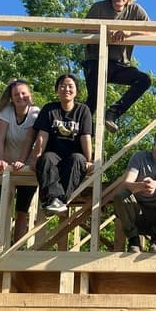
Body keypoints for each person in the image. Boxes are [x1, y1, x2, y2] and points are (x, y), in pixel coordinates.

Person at [83, 0, 151, 132]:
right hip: (96, 60)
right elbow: (83, 30)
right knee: (94, 100)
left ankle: (113, 113)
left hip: (120, 64)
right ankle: (79, 126)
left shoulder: (135, 10)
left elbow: (154, 33)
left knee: (143, 80)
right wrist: (105, 33)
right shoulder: (99, 8)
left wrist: (129, 32)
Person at [114, 123, 156, 253]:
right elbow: (126, 184)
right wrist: (141, 186)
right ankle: (134, 239)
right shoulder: (139, 157)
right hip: (137, 213)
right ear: (155, 139)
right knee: (120, 196)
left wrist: (155, 184)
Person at [32, 74, 93, 215]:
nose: (66, 89)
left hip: (74, 155)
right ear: (57, 90)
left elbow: (86, 137)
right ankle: (54, 200)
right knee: (46, 159)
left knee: (78, 159)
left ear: (76, 90)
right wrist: (36, 158)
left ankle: (55, 201)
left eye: (70, 86)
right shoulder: (49, 109)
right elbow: (42, 137)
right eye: (62, 85)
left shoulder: (83, 110)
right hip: (54, 154)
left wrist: (89, 160)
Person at [0, 79, 40, 241]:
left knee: (22, 210)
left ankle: (17, 247)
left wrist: (21, 160)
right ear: (11, 98)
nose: (20, 97)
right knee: (4, 207)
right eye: (16, 95)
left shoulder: (35, 113)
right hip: (5, 166)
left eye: (23, 93)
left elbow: (30, 140)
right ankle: (2, 245)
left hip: (25, 166)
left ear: (30, 95)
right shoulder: (5, 112)